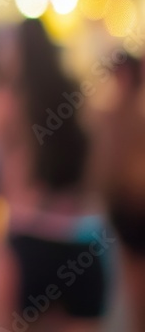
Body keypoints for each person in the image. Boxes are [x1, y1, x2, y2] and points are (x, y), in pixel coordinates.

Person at [0, 19, 110, 332]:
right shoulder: (77, 93)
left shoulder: (8, 103)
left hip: (29, 233)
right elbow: (96, 167)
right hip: (82, 236)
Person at [96, 54, 145, 332]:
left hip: (132, 211)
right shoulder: (113, 115)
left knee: (134, 289)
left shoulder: (119, 117)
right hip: (124, 212)